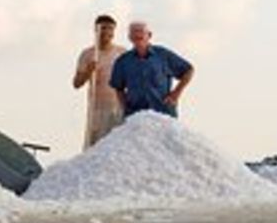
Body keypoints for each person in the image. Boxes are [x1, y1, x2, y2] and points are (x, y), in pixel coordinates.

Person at [109, 21, 194, 119]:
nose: (137, 34)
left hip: (163, 114)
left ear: (149, 35)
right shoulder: (122, 61)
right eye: (134, 32)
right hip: (136, 117)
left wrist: (176, 94)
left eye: (141, 31)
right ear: (130, 37)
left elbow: (189, 70)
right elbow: (118, 87)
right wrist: (125, 107)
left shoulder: (163, 55)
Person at [72, 14, 125, 148]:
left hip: (117, 107)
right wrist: (88, 72)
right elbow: (76, 83)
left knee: (115, 146)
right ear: (96, 31)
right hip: (96, 108)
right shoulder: (88, 54)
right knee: (94, 145)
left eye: (110, 29)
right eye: (103, 28)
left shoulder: (122, 53)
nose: (107, 32)